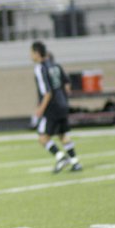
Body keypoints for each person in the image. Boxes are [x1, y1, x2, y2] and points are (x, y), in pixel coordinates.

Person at [31, 41, 82, 172]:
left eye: (31, 53)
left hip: (51, 107)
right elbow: (67, 85)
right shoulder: (56, 66)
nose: (31, 56)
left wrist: (41, 108)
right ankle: (75, 162)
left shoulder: (40, 69)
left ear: (37, 53)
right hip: (63, 104)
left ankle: (60, 157)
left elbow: (47, 92)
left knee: (42, 137)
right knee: (63, 135)